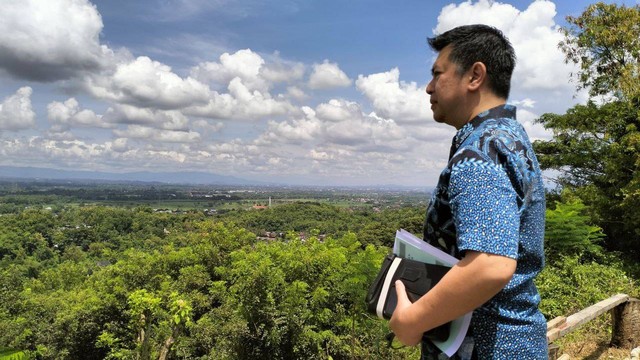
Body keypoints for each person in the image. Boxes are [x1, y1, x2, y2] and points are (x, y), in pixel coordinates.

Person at [389, 24, 547, 359]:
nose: (428, 87)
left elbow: (490, 265)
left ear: (475, 76)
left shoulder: (481, 151)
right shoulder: (509, 136)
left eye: (438, 74)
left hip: (484, 348)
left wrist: (412, 320)